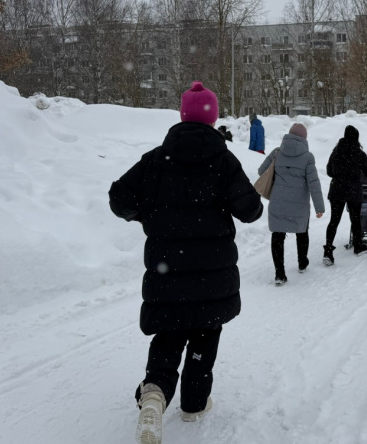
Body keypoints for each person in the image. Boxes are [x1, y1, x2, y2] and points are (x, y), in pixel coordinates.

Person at [108, 81, 263, 444]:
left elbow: (119, 198)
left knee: (169, 333)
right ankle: (193, 403)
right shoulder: (224, 160)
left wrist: (148, 214)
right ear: (212, 118)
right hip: (213, 275)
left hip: (168, 271)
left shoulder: (157, 159)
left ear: (182, 115)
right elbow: (251, 211)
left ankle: (155, 393)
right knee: (205, 334)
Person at [258, 123, 325, 284]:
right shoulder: (308, 157)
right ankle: (302, 262)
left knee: (277, 235)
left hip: (278, 202)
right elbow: (313, 183)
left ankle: (279, 273)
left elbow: (261, 171)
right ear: (304, 138)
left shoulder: (276, 153)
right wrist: (319, 207)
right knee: (302, 232)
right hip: (299, 204)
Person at [323, 125, 367, 265]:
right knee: (355, 219)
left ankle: (328, 251)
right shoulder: (359, 153)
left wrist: (340, 175)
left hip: (337, 190)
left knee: (334, 220)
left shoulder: (336, 151)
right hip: (353, 190)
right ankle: (358, 246)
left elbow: (329, 171)